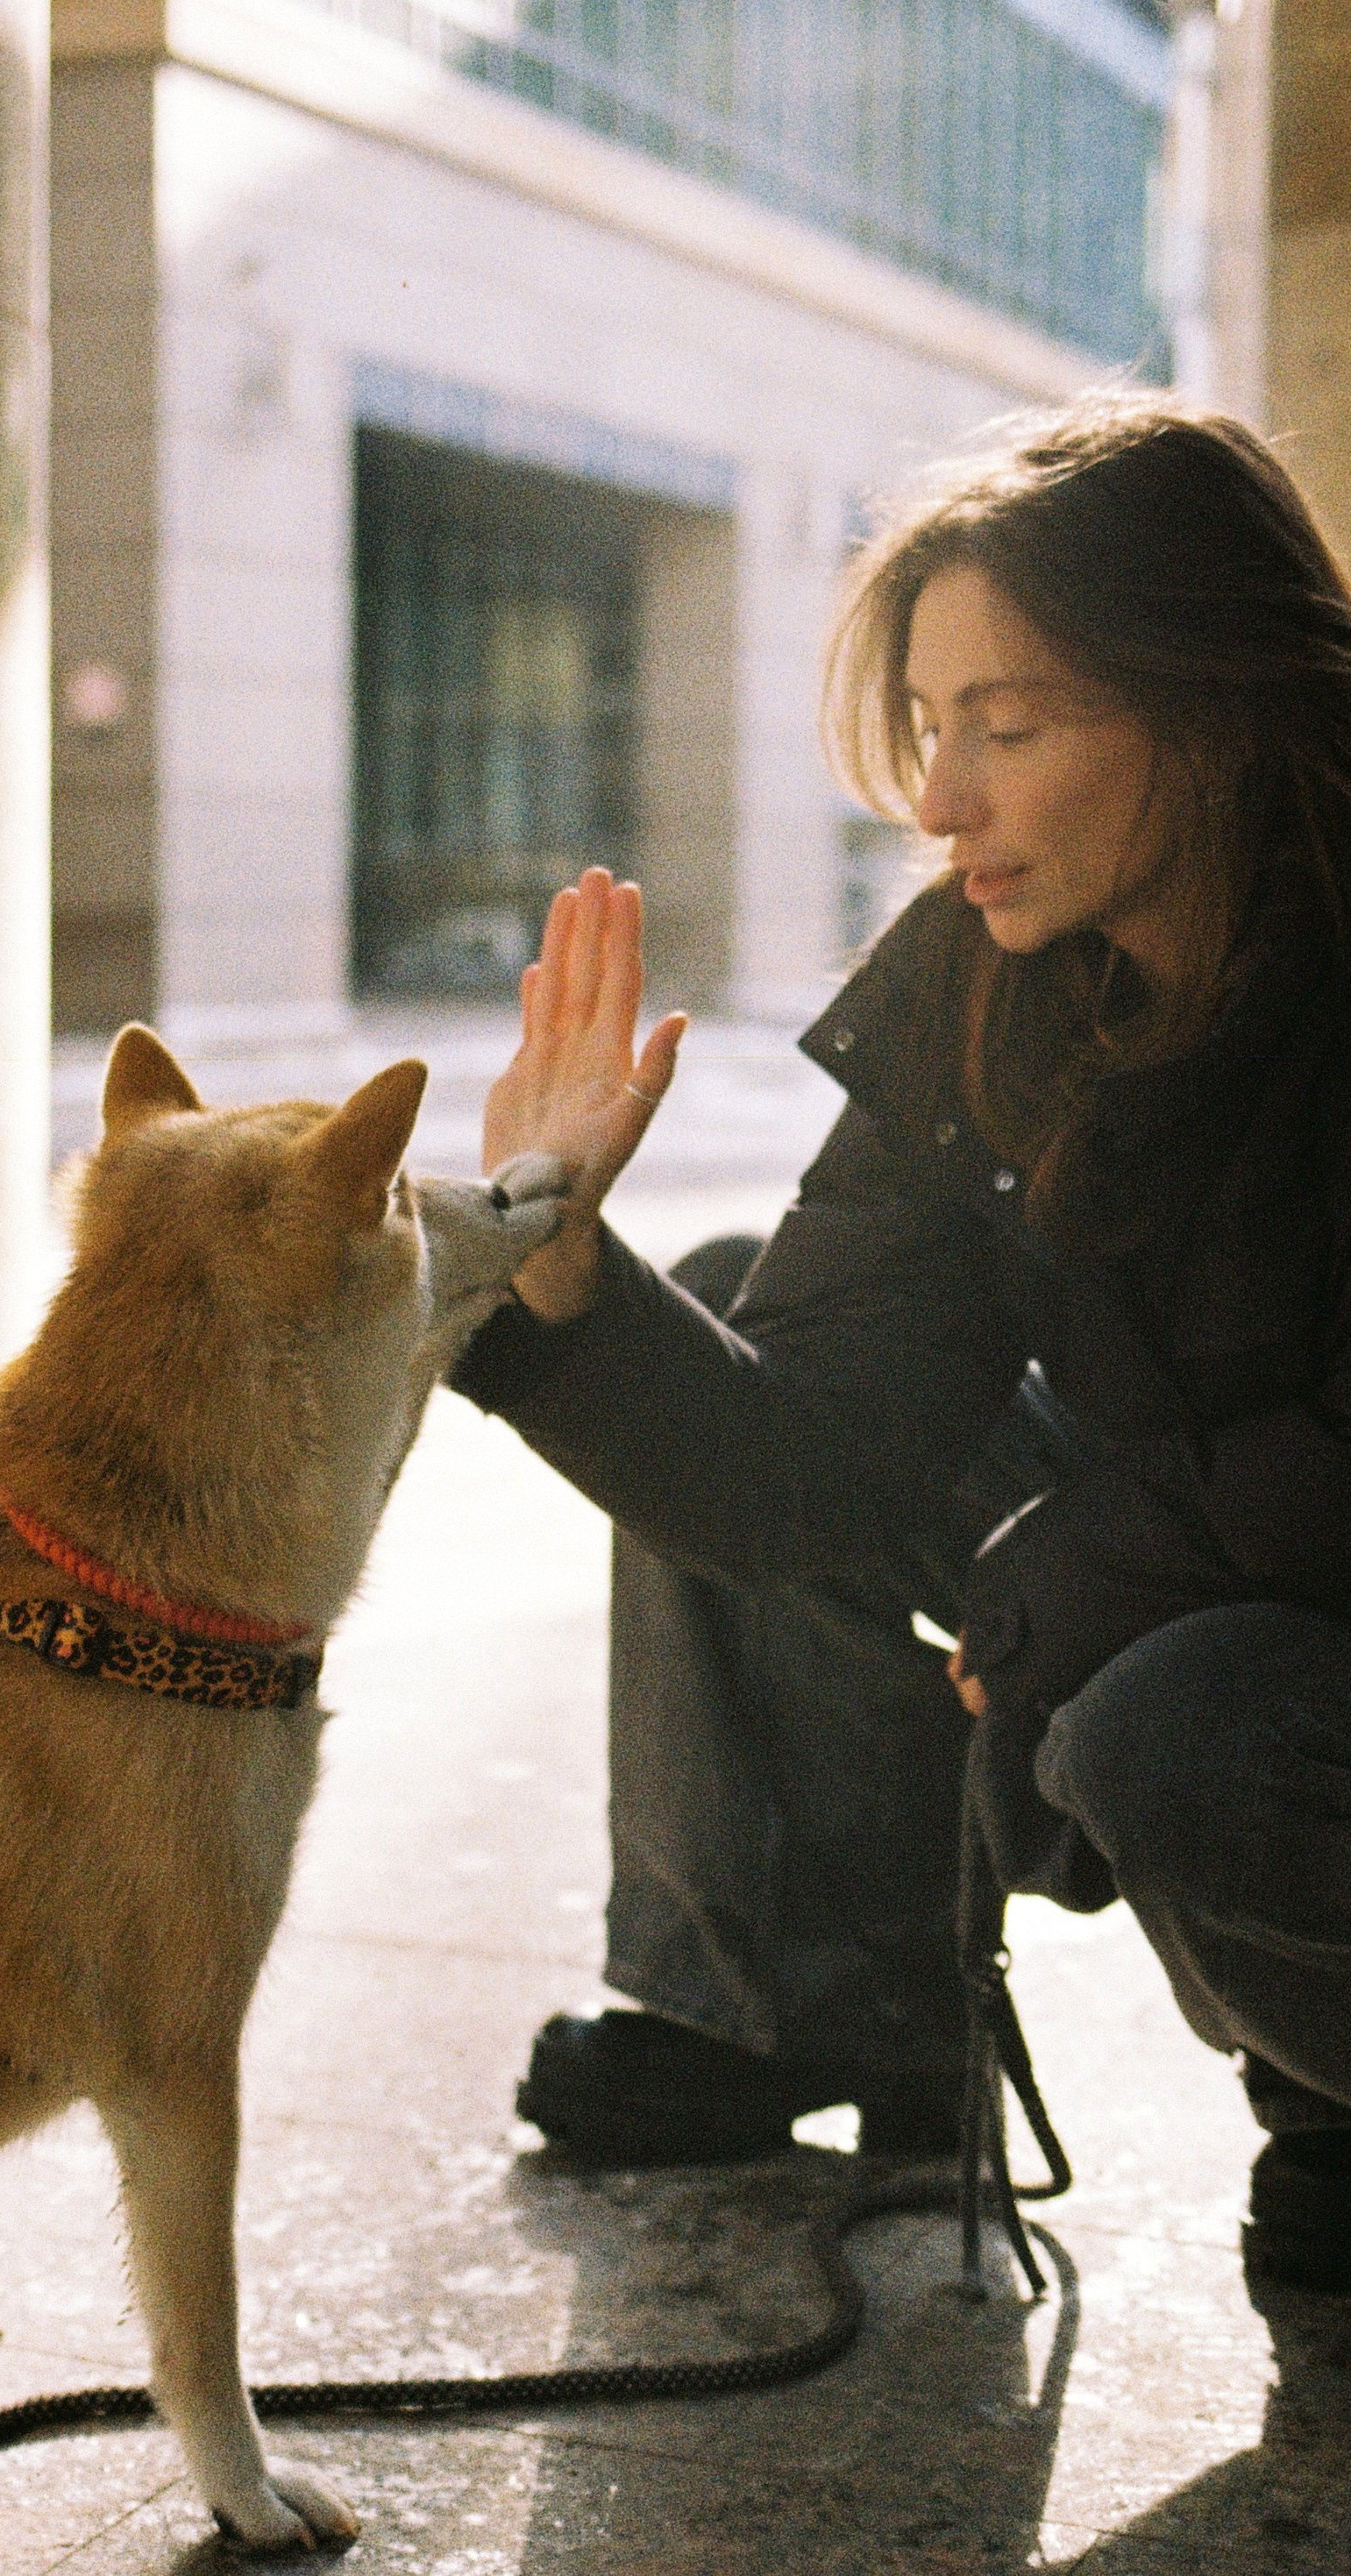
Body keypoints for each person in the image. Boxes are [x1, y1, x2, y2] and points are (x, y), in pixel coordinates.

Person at [455, 394, 1351, 2296]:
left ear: (1212, 705)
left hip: (1278, 1613)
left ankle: (1333, 2085)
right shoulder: (990, 978)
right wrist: (553, 1264)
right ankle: (819, 2005)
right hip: (1186, 1540)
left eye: (1006, 729)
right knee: (711, 1289)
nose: (939, 800)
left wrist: (1093, 1564)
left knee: (1175, 1717)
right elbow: (805, 1460)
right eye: (931, 726)